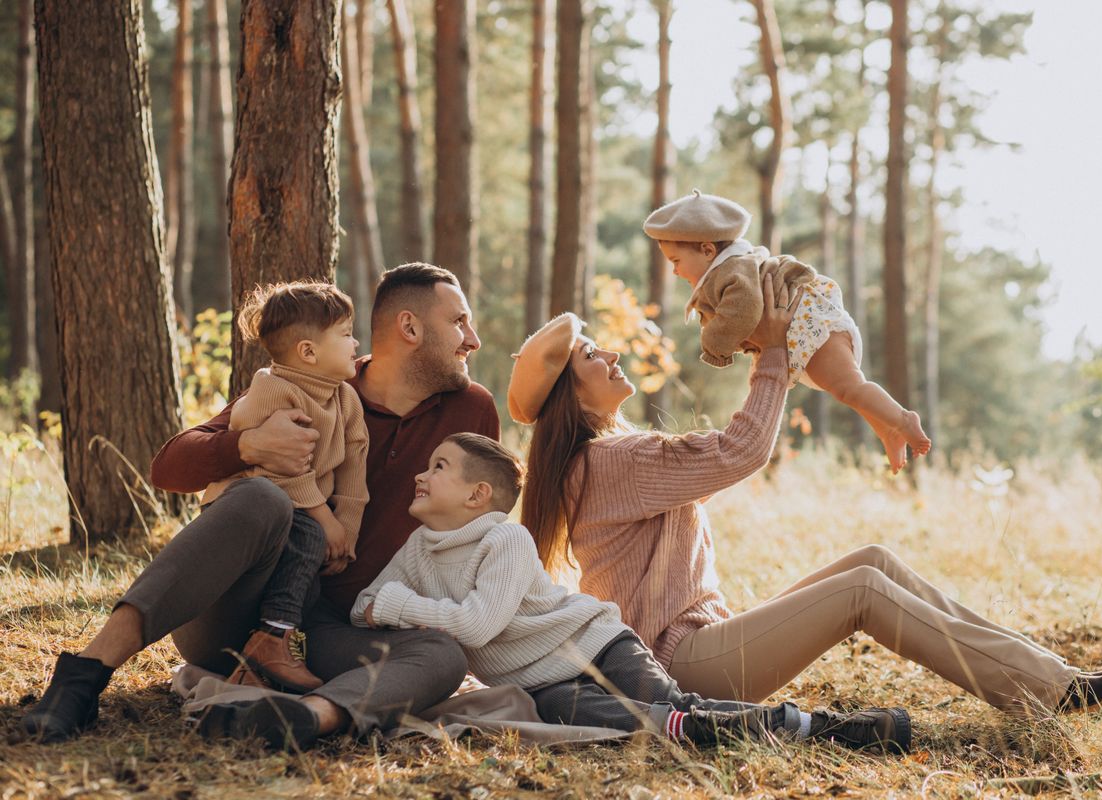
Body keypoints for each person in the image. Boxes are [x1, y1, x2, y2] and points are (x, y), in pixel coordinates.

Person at [506, 275, 1102, 718]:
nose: (611, 352)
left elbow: (728, 448)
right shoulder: (612, 460)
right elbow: (741, 449)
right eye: (593, 353)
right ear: (570, 391)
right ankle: (1045, 692)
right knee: (862, 592)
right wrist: (775, 353)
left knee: (874, 561)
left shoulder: (606, 458)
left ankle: (1046, 676)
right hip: (682, 667)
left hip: (701, 642)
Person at [19, 263, 500, 750]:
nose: (473, 340)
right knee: (261, 496)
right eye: (459, 322)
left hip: (336, 633)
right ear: (410, 328)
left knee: (442, 656)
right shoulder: (312, 381)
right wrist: (246, 446)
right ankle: (82, 677)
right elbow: (168, 468)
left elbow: (480, 530)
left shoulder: (471, 411)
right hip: (235, 612)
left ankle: (301, 717)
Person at [351, 432, 912, 753]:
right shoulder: (418, 549)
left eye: (438, 466)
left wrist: (398, 608)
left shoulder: (505, 539)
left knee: (672, 705)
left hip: (596, 642)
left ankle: (833, 728)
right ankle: (769, 729)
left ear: (477, 495)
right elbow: (361, 605)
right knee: (649, 725)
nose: (421, 476)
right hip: (541, 685)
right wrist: (385, 605)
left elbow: (474, 625)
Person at [644, 189, 930, 473]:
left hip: (813, 329)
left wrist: (714, 343)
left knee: (850, 388)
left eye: (676, 261)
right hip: (806, 333)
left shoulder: (732, 271)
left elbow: (744, 308)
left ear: (707, 250)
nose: (675, 272)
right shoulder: (731, 267)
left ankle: (903, 419)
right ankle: (888, 430)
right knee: (848, 389)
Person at [197, 281, 368, 693]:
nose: (356, 342)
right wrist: (324, 519)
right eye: (345, 335)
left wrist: (345, 531)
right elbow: (280, 471)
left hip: (302, 514)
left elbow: (353, 469)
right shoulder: (272, 389)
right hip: (253, 505)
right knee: (307, 535)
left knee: (307, 576)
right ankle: (272, 641)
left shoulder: (345, 398)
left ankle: (262, 663)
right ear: (308, 352)